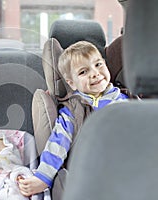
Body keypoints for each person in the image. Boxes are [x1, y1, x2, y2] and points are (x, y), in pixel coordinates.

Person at [18, 41, 129, 197]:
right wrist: (43, 177)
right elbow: (58, 143)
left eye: (98, 65)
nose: (95, 73)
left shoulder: (128, 101)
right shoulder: (72, 110)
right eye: (83, 72)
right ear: (72, 83)